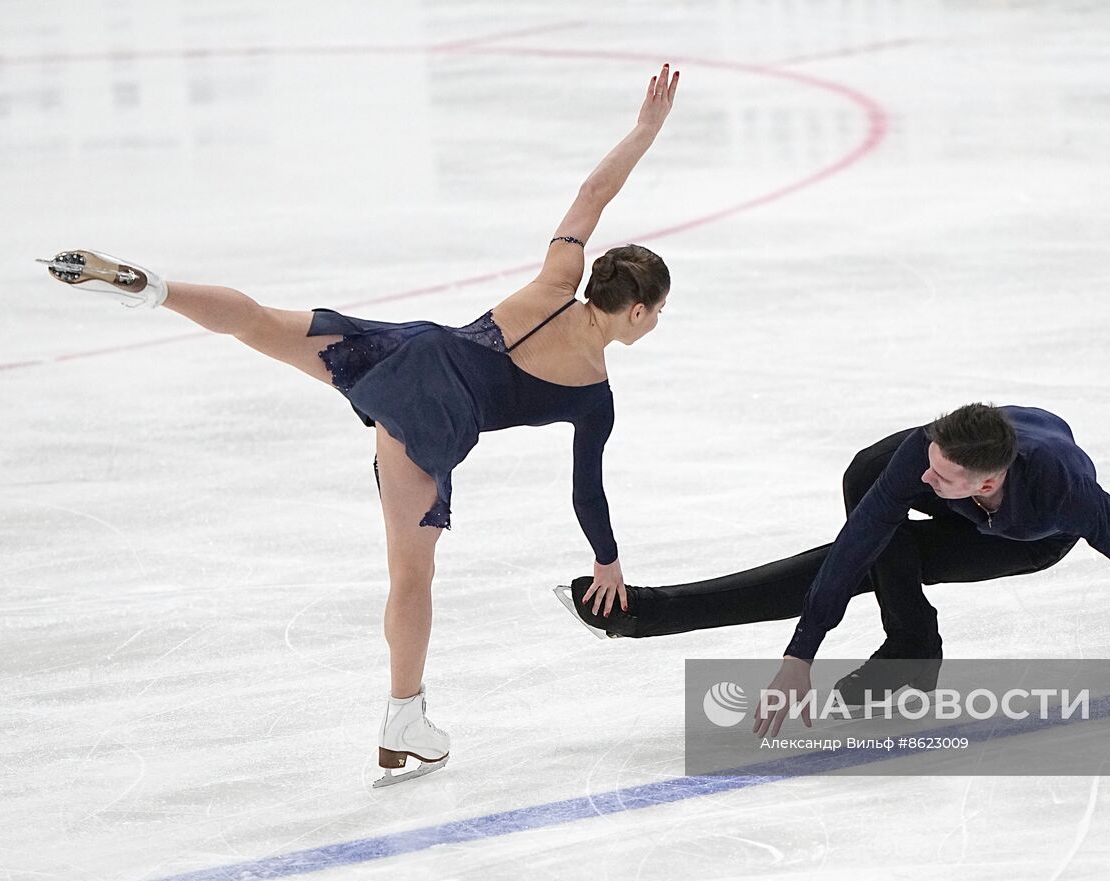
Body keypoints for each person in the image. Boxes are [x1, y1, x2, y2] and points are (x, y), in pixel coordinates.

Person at [38, 64, 681, 784]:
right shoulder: (594, 395)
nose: (656, 321)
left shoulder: (560, 276)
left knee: (259, 322)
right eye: (656, 310)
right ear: (635, 312)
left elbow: (594, 194)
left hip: (406, 351)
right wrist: (607, 560)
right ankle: (403, 715)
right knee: (411, 578)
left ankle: (152, 288)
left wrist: (644, 131)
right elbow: (586, 494)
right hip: (430, 422)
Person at [568, 403, 1110, 735]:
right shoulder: (926, 454)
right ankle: (913, 643)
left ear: (979, 481)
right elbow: (853, 548)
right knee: (867, 490)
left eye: (940, 472)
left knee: (884, 548)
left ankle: (910, 648)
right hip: (979, 483)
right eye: (931, 458)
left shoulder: (1067, 495)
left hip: (1021, 537)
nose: (925, 473)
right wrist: (799, 655)